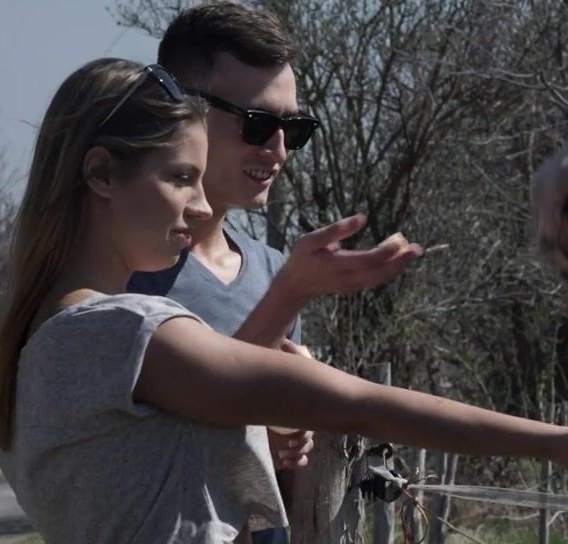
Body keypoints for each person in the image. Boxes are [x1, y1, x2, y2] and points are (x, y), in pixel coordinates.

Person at [0, 58, 568, 543]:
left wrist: (257, 410)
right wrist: (556, 441)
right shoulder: (118, 332)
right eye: (181, 177)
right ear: (102, 173)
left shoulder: (46, 342)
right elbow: (355, 403)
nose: (201, 205)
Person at [124, 6, 419, 541]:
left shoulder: (271, 267)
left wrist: (291, 434)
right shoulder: (122, 276)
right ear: (178, 109)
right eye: (257, 124)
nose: (279, 150)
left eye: (295, 129)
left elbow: (280, 480)